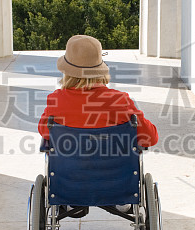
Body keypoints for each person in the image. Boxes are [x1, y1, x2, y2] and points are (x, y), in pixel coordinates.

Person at [38, 34, 158, 215]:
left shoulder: (56, 100)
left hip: (71, 183)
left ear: (67, 71)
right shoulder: (120, 100)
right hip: (116, 183)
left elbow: (45, 132)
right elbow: (150, 138)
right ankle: (119, 199)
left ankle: (73, 201)